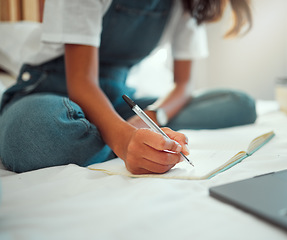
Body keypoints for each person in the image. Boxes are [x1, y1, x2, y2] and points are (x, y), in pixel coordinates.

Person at [0, 0, 256, 174]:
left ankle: (110, 138)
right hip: (52, 93)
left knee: (239, 103)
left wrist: (152, 117)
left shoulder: (188, 4)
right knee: (33, 133)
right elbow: (81, 82)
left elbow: (184, 84)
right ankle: (121, 139)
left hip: (117, 101)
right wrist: (124, 140)